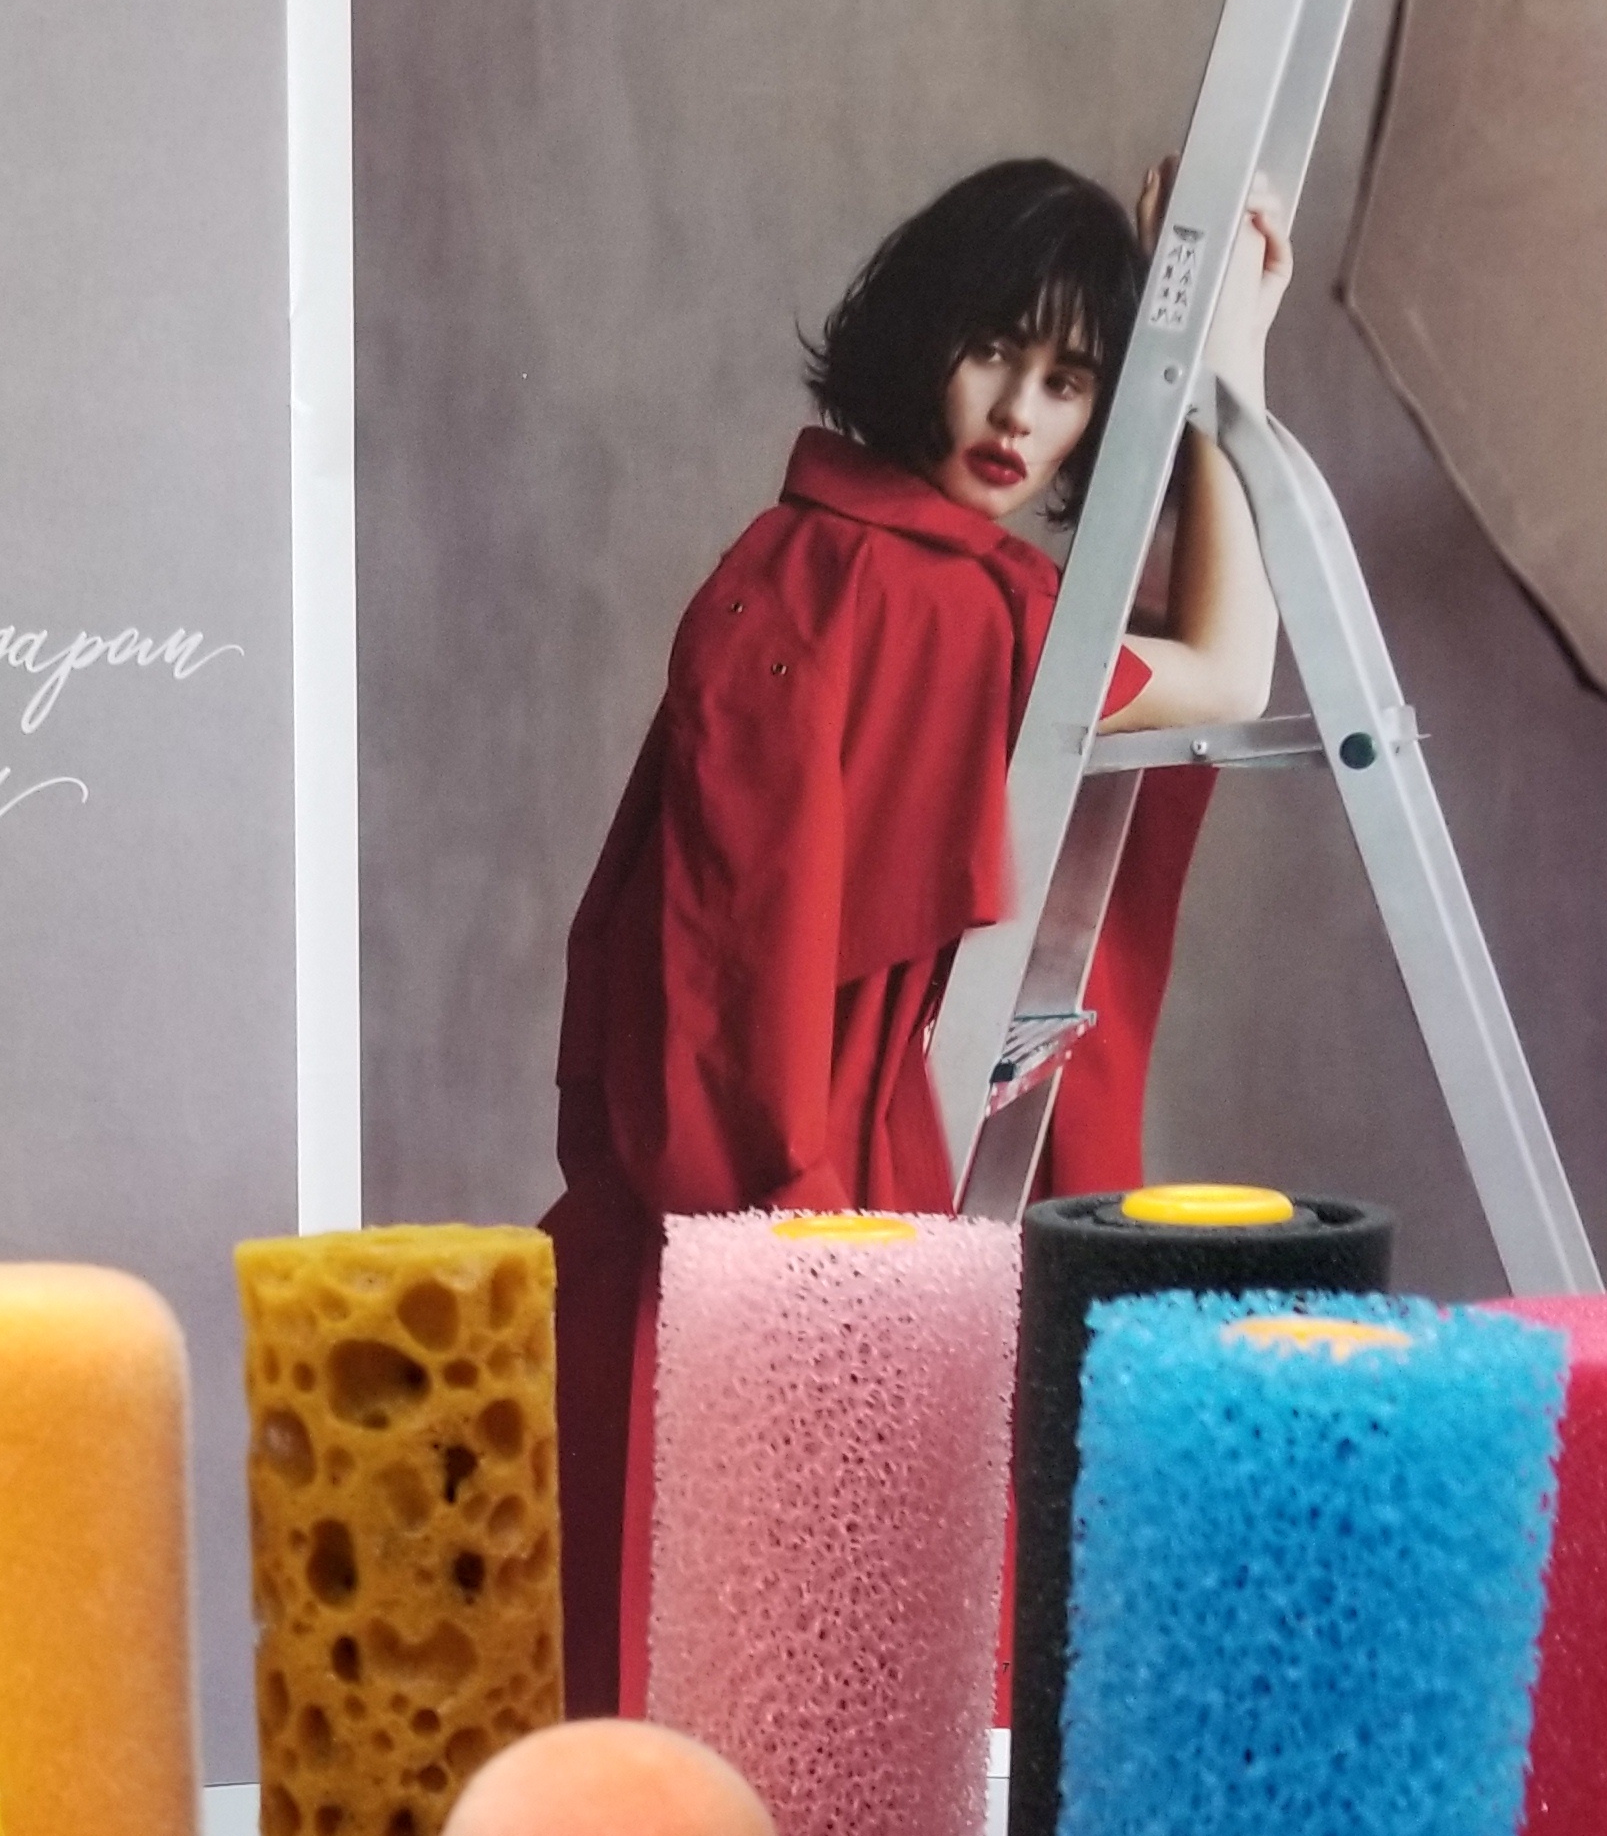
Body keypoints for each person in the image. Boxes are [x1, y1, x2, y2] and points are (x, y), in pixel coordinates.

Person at [548, 155, 1292, 1715]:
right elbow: (1227, 671)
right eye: (991, 352)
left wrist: (1208, 355)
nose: (1017, 414)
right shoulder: (930, 603)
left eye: (1069, 380)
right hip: (811, 1203)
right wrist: (1233, 364)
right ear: (917, 339)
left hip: (738, 1205)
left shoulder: (833, 562)